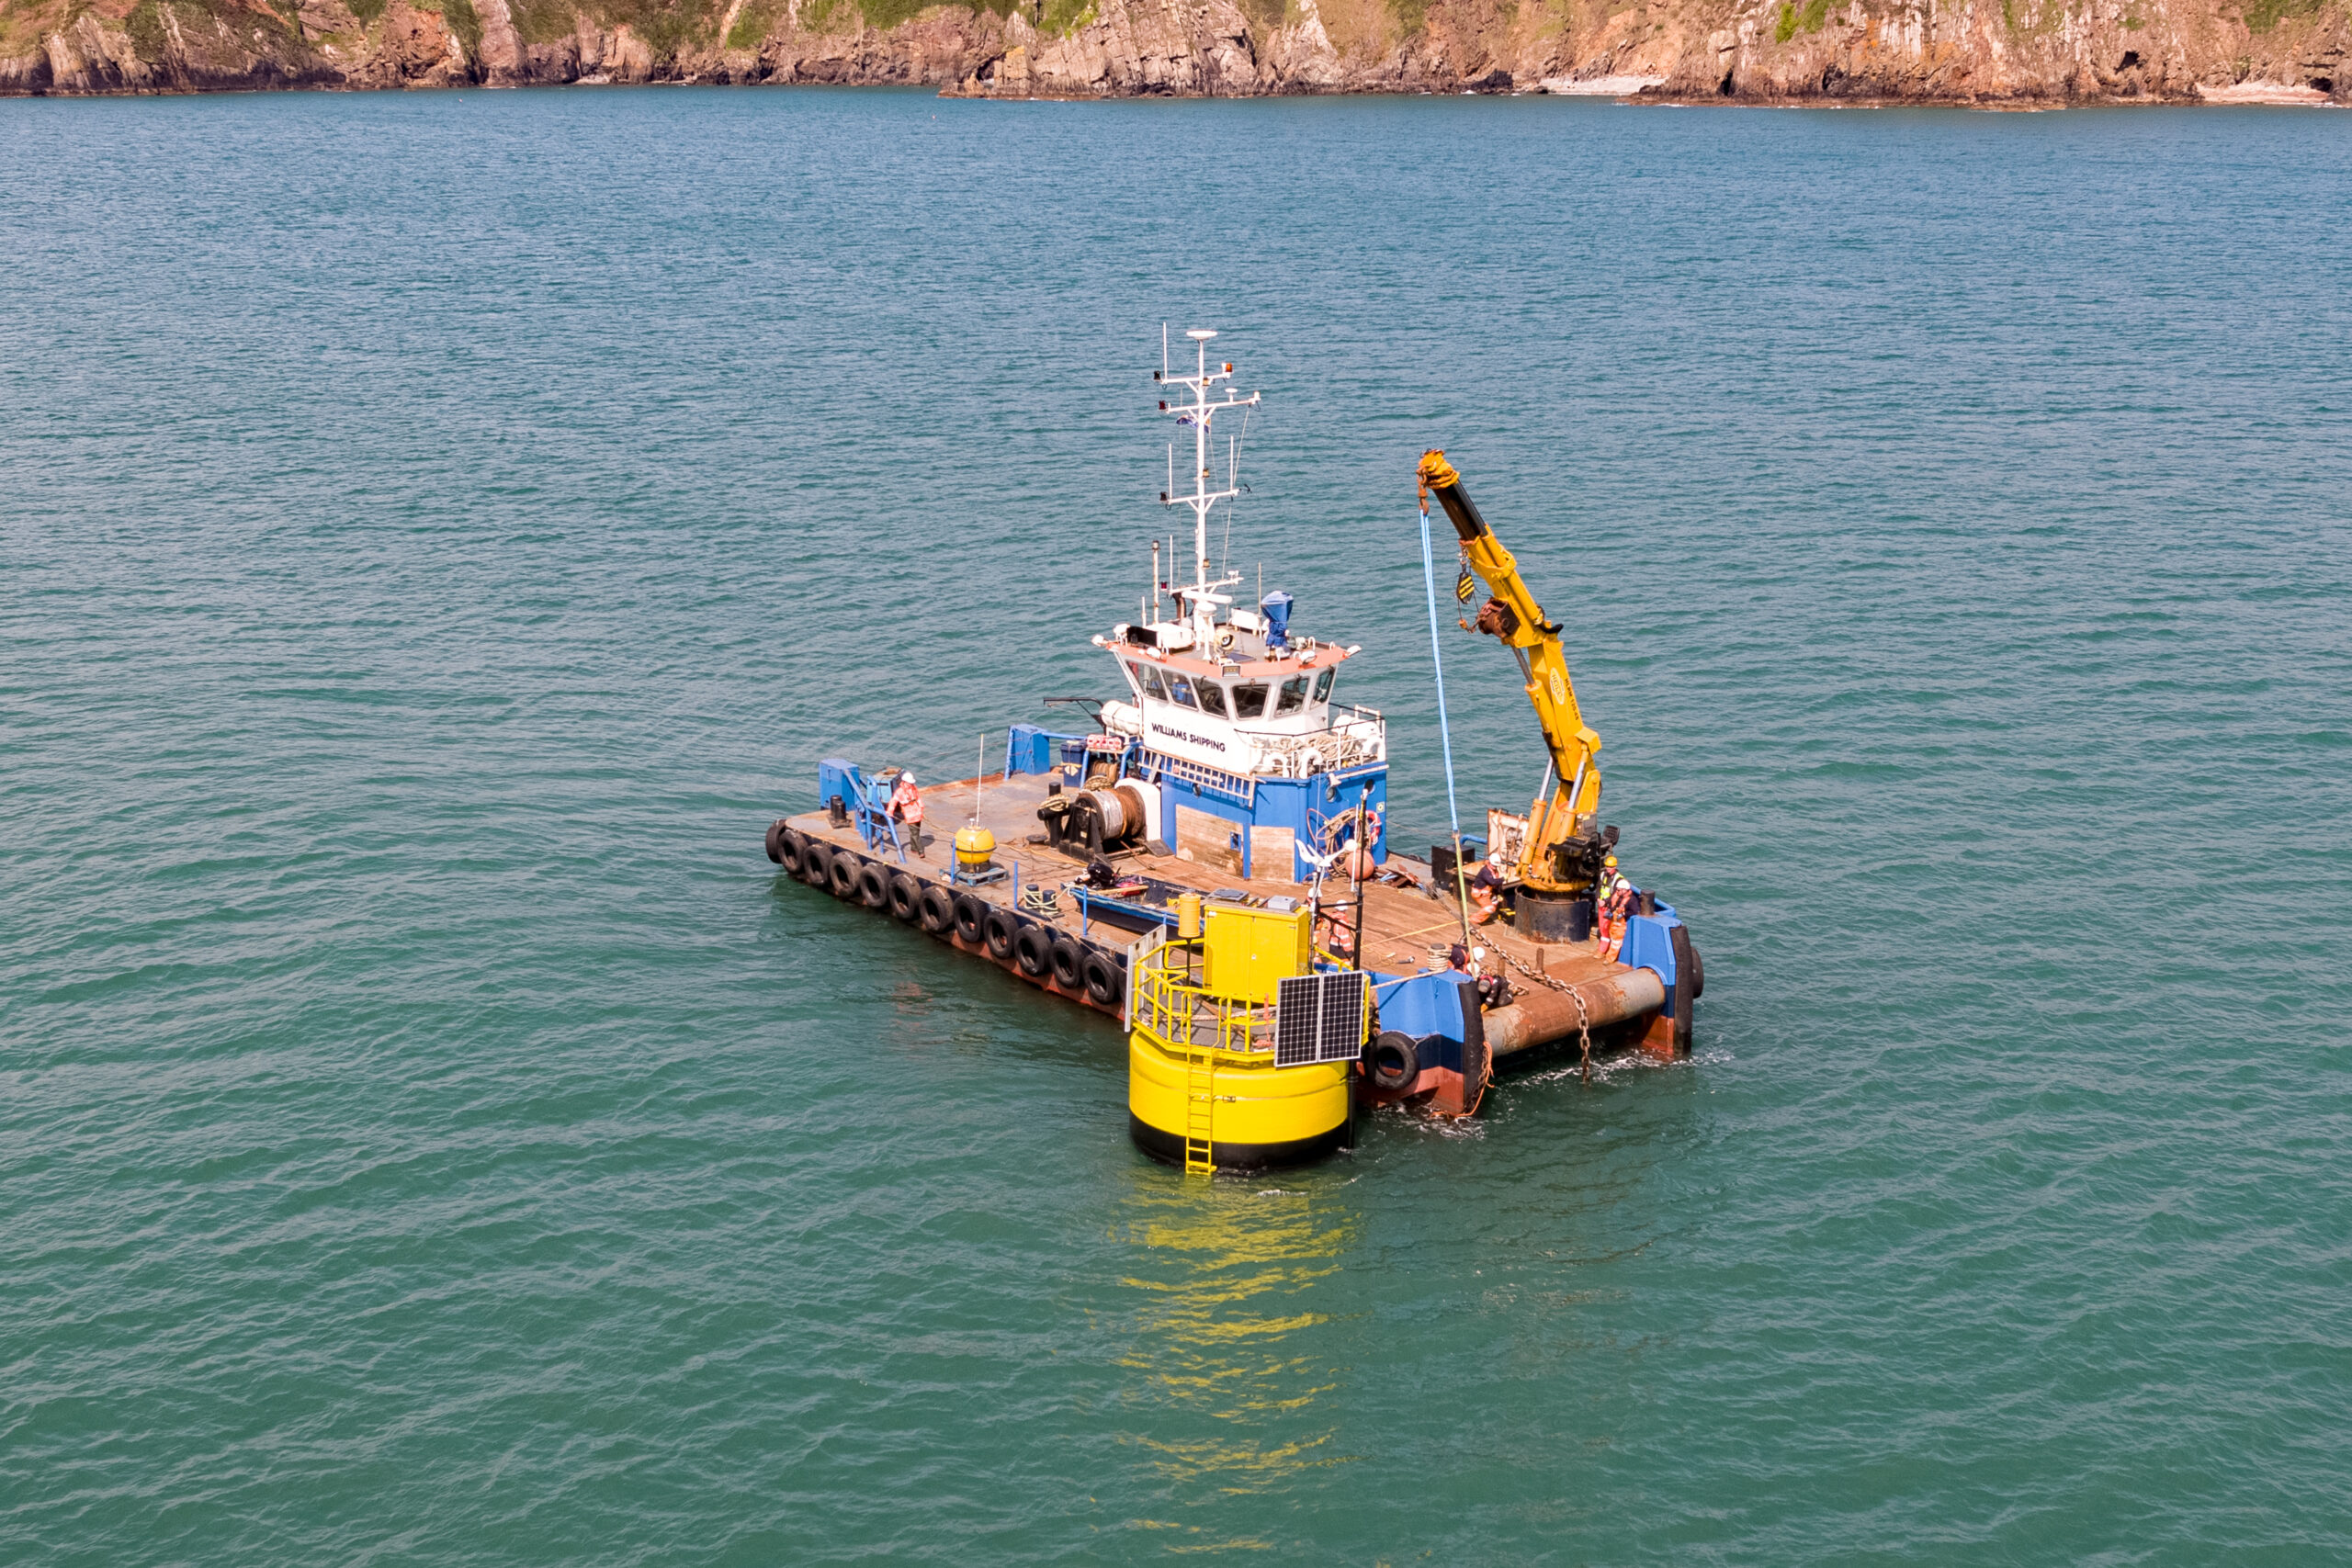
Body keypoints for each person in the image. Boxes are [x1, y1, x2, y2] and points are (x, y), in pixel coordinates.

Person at [889, 770, 928, 858]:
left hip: (917, 812)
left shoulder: (914, 788)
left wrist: (921, 807)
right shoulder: (899, 791)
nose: (911, 784)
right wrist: (890, 812)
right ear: (905, 782)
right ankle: (920, 851)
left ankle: (913, 848)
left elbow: (918, 797)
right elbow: (893, 801)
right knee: (915, 833)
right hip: (909, 814)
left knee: (916, 832)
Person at [1467, 846, 1509, 925]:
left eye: (1496, 866)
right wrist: (1503, 878)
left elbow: (1496, 884)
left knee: (1495, 901)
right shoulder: (1485, 871)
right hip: (1480, 894)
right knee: (1490, 908)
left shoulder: (1494, 871)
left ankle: (1483, 918)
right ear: (1489, 862)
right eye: (1493, 865)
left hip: (1488, 893)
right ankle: (1473, 920)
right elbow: (1492, 882)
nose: (1494, 867)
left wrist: (1498, 894)